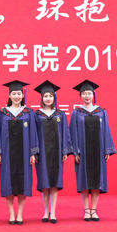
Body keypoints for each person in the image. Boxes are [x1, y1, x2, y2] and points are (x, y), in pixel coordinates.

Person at [0, 80, 38, 225]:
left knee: (23, 183)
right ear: (9, 95)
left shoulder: (29, 113)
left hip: (24, 154)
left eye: (19, 93)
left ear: (23, 95)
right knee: (8, 182)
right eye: (14, 93)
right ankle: (11, 213)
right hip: (7, 153)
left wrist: (32, 153)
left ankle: (20, 214)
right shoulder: (2, 113)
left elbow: (33, 133)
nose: (16, 96)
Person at [69, 80, 115, 222]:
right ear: (80, 96)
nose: (87, 96)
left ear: (93, 94)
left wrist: (107, 149)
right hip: (83, 151)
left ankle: (93, 210)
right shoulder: (76, 113)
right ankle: (86, 210)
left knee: (97, 180)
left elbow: (106, 130)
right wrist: (75, 151)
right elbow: (73, 133)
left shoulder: (101, 112)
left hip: (98, 150)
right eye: (84, 93)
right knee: (84, 180)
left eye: (89, 93)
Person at [33, 80, 73, 224]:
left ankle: (54, 212)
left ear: (54, 97)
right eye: (45, 96)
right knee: (45, 183)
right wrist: (34, 151)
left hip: (56, 152)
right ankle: (46, 211)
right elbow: (33, 134)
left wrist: (65, 150)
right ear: (41, 98)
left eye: (50, 96)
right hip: (42, 152)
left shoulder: (60, 114)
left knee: (55, 182)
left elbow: (65, 132)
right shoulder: (37, 115)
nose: (48, 98)